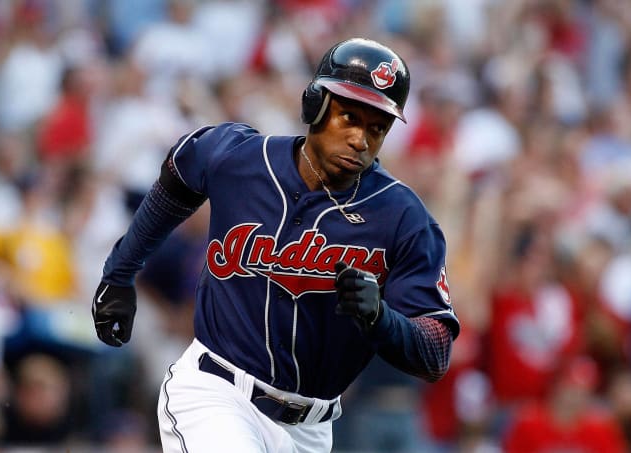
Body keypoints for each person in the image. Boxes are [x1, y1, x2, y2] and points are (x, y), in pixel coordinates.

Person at [91, 37, 460, 453]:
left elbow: (435, 352)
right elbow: (178, 177)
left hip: (312, 429)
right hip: (218, 394)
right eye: (349, 117)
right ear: (314, 105)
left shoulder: (402, 217)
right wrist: (120, 272)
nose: (361, 139)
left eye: (377, 128)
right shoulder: (242, 157)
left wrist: (382, 319)